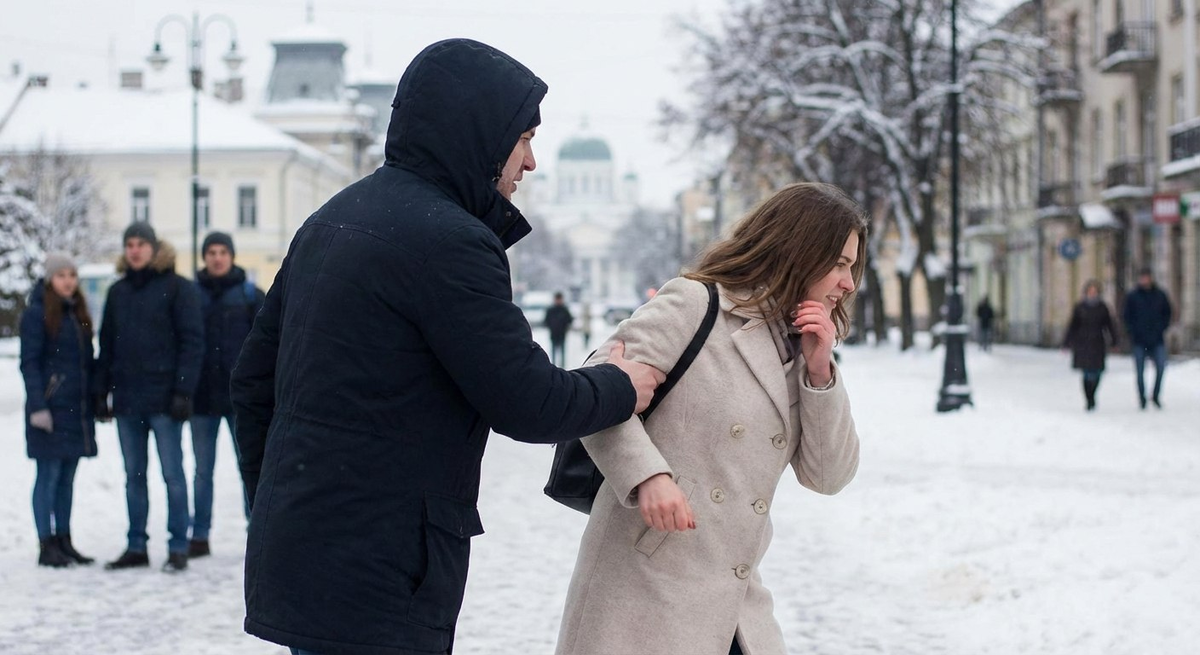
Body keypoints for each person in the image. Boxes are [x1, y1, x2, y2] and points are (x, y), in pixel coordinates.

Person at [229, 38, 664, 655]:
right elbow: (526, 401)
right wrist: (621, 385)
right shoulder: (450, 242)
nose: (532, 162)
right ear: (480, 132)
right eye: (523, 139)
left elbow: (251, 384)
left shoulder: (332, 219)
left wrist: (281, 502)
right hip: (386, 566)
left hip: (305, 551)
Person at [556, 182, 864, 655]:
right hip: (646, 588)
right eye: (840, 264)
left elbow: (827, 476)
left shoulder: (803, 348)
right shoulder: (696, 305)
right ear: (799, 251)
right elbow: (597, 390)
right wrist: (649, 475)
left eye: (852, 268)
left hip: (738, 603)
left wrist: (821, 372)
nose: (848, 283)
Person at [96, 223, 203, 573]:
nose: (135, 250)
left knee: (173, 475)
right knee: (134, 476)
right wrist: (102, 392)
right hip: (128, 401)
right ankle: (136, 545)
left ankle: (178, 545)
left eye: (141, 243)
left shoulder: (177, 288)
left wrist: (183, 391)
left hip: (165, 401)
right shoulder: (118, 293)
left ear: (154, 248)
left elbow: (192, 342)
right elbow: (107, 345)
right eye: (129, 244)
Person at [188, 231, 264, 558]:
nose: (217, 258)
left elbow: (265, 345)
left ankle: (258, 531)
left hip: (241, 400)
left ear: (231, 256)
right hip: (201, 399)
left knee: (248, 467)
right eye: (211, 252)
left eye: (222, 252)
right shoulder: (190, 295)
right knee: (202, 472)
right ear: (204, 257)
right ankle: (200, 535)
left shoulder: (250, 296)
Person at [19, 253, 98, 568]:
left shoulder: (76, 313)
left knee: (67, 478)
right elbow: (29, 364)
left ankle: (64, 540)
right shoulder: (36, 313)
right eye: (61, 275)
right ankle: (46, 543)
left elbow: (86, 364)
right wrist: (39, 406)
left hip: (74, 411)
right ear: (50, 278)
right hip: (49, 410)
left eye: (72, 275)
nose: (67, 281)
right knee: (48, 476)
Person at [1122, 268, 1173, 409]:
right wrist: (1132, 331)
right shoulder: (1133, 296)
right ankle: (1142, 397)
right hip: (1139, 340)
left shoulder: (1160, 295)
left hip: (1157, 339)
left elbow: (1167, 313)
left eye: (1147, 277)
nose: (1145, 280)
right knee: (1139, 371)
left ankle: (1155, 395)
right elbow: (1126, 316)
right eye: (1143, 277)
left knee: (1161, 367)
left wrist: (1162, 327)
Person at [1062, 280, 1117, 412]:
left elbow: (1109, 325)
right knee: (1086, 373)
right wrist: (1067, 342)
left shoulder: (1102, 308)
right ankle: (1089, 398)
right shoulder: (1080, 308)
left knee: (1097, 372)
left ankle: (1092, 394)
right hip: (1083, 344)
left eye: (1094, 292)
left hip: (1098, 343)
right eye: (1090, 291)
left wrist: (1114, 340)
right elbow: (1073, 326)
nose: (1092, 294)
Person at [544, 291, 573, 367]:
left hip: (562, 334)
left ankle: (562, 366)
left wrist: (565, 326)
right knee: (553, 351)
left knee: (562, 352)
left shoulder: (564, 309)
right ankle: (553, 365)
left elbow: (570, 320)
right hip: (554, 334)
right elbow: (546, 321)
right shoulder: (551, 310)